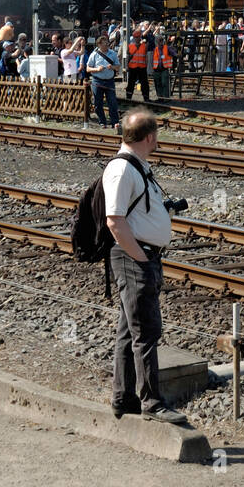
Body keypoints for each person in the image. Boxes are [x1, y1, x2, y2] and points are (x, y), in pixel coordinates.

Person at [103, 109, 186, 424]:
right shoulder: (122, 171)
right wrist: (141, 259)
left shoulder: (137, 166)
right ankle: (151, 402)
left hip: (140, 255)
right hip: (133, 257)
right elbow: (115, 221)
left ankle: (124, 399)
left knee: (129, 329)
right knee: (146, 330)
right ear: (150, 137)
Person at [87, 34, 121, 128]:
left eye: (106, 43)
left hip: (109, 81)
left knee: (112, 102)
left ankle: (115, 122)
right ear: (99, 45)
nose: (106, 45)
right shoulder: (94, 54)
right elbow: (88, 68)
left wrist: (112, 67)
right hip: (97, 81)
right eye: (104, 43)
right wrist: (97, 69)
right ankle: (102, 121)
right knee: (98, 103)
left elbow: (118, 66)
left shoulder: (112, 53)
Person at [126, 24, 150, 102]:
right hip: (133, 67)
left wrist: (146, 65)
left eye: (138, 37)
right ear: (134, 37)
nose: (137, 38)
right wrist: (126, 66)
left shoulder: (144, 45)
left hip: (142, 67)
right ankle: (128, 97)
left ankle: (146, 97)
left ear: (140, 37)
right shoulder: (130, 46)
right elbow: (127, 57)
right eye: (135, 37)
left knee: (144, 84)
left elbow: (146, 56)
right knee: (131, 83)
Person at [150, 28, 174, 100]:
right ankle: (160, 97)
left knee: (164, 83)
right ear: (157, 41)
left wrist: (177, 54)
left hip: (164, 69)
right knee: (158, 84)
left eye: (162, 40)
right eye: (160, 40)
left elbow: (173, 52)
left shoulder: (167, 48)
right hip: (156, 69)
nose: (161, 42)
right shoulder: (154, 49)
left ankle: (166, 98)